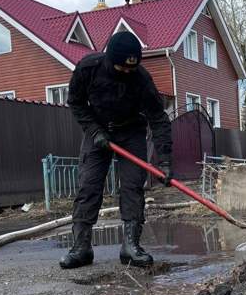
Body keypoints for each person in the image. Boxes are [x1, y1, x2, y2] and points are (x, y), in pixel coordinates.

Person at [60, 31, 172, 270]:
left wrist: (164, 161)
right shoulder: (88, 68)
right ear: (111, 60)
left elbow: (158, 118)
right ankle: (81, 247)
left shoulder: (141, 78)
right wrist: (94, 131)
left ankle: (130, 247)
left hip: (131, 132)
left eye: (131, 68)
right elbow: (76, 103)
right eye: (121, 68)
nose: (127, 73)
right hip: (97, 130)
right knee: (88, 186)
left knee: (132, 186)